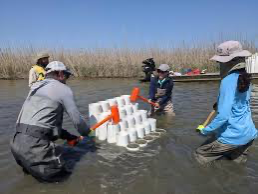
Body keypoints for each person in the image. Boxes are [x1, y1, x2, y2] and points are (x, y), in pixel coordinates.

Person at [10, 61, 90, 182]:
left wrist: (69, 137)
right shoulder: (63, 89)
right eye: (67, 76)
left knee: (31, 181)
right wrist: (88, 134)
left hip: (16, 143)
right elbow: (78, 121)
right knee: (62, 181)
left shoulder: (35, 88)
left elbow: (41, 126)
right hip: (35, 146)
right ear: (60, 74)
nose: (67, 80)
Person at [195, 41, 257, 165]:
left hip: (232, 136)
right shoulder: (246, 77)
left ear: (229, 62)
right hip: (249, 134)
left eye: (220, 62)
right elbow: (240, 103)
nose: (219, 65)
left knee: (199, 155)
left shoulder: (228, 81)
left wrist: (206, 130)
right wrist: (219, 102)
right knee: (235, 165)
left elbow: (223, 116)